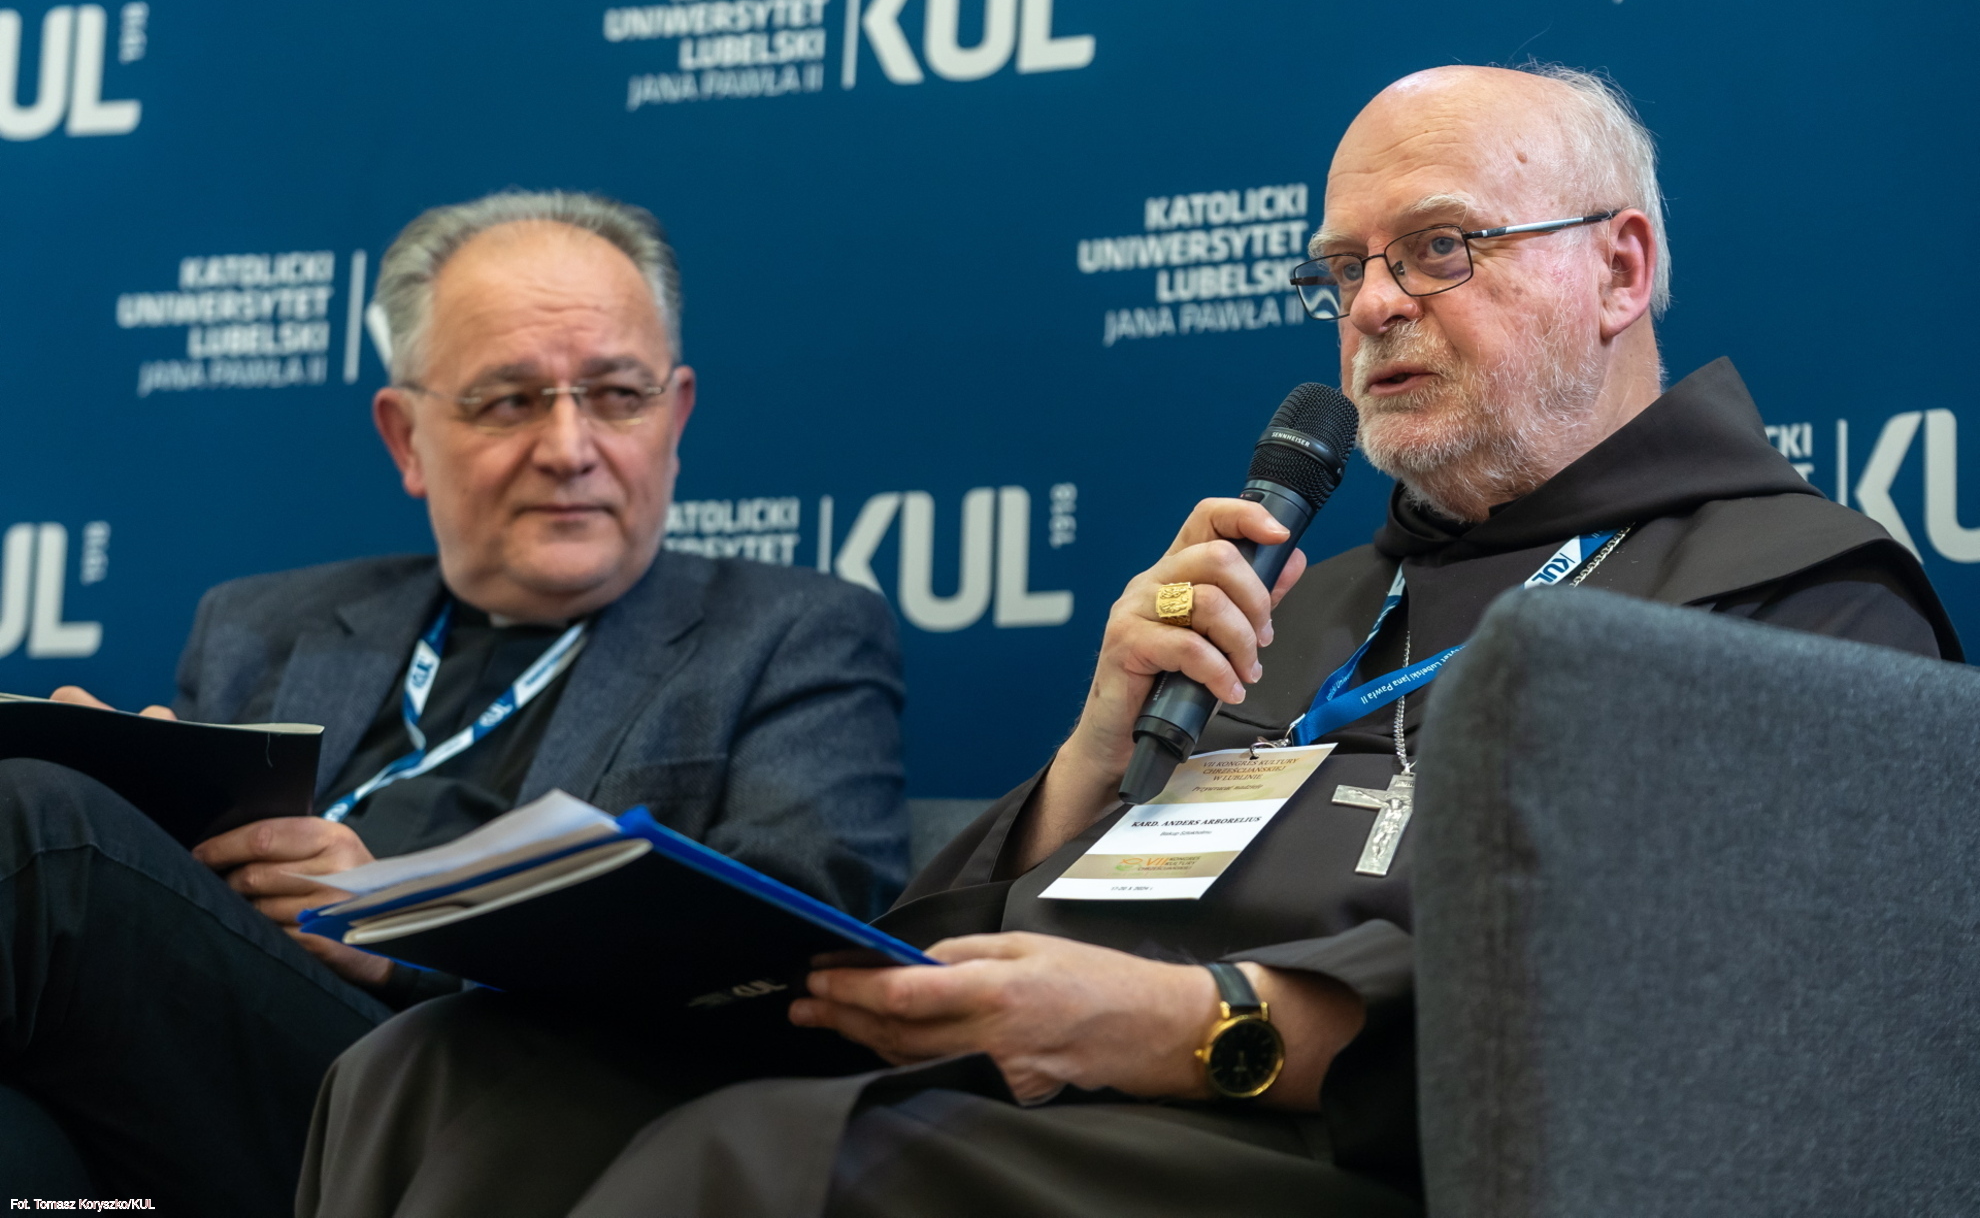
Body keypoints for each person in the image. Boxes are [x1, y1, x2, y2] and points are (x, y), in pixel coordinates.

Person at [298, 66, 1958, 1218]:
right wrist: (1097, 750)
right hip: (1078, 1094)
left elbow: (1676, 1052)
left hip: (1343, 1156)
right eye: (1344, 267)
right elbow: (1024, 928)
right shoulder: (1308, 595)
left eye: (1439, 247)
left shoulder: (1789, 599)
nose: (1374, 303)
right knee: (449, 1074)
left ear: (1622, 266)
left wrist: (1189, 1021)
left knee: (750, 1168)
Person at [0, 192, 907, 1213]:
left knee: (45, 827)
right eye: (509, 401)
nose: (569, 447)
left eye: (618, 395)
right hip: (222, 1111)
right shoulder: (259, 625)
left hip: (499, 1118)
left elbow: (794, 965)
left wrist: (399, 928)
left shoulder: (794, 632)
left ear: (676, 416)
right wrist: (146, 814)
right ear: (406, 437)